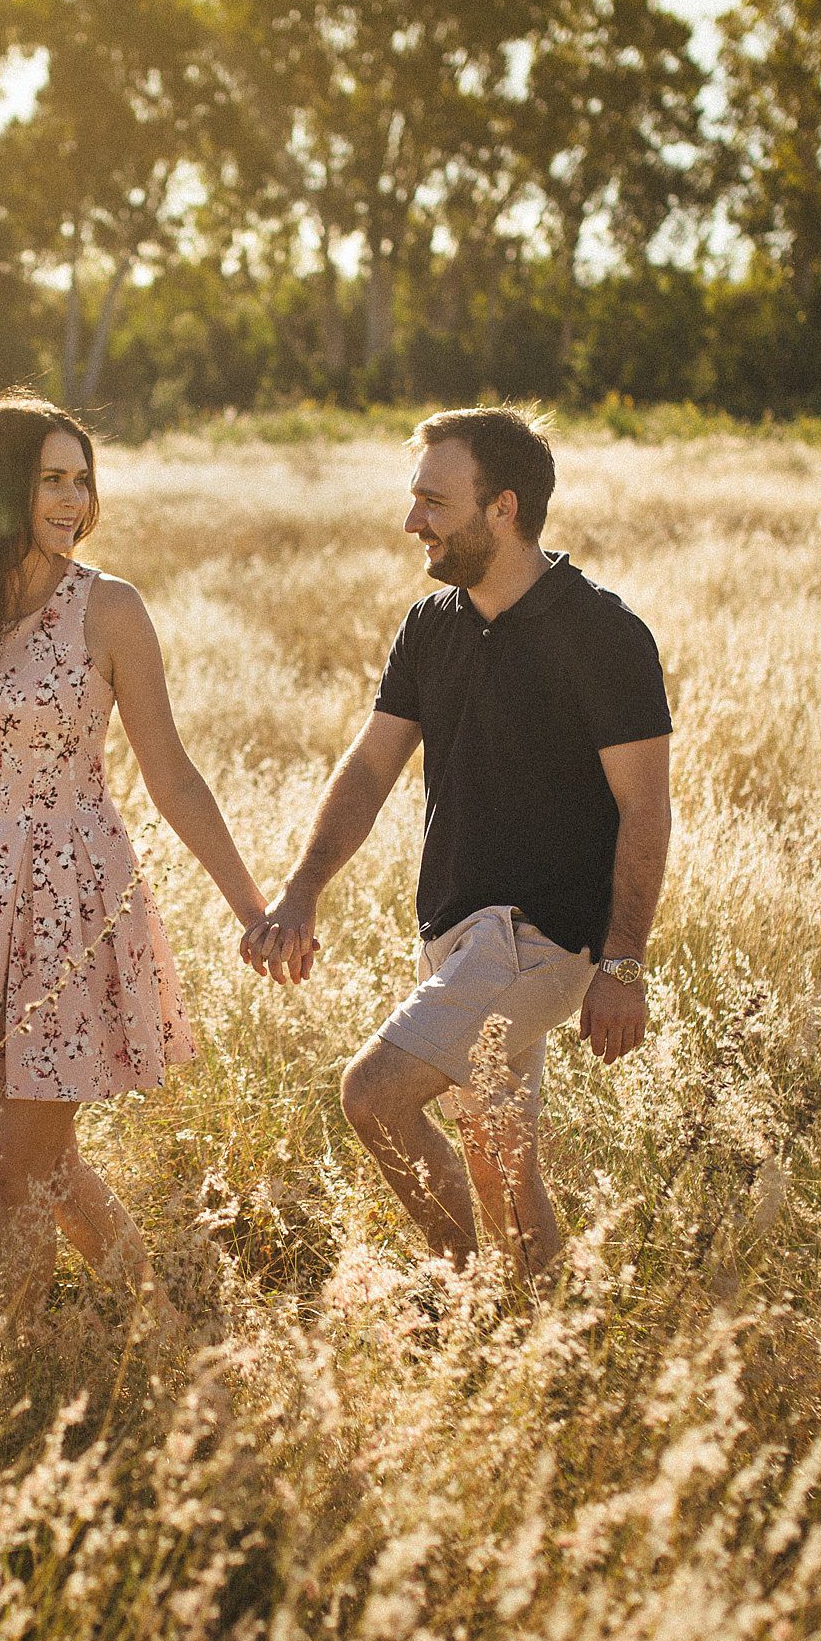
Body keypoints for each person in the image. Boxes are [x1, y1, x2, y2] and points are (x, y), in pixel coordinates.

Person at [0, 390, 271, 1328]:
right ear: (3, 490)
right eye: (52, 481)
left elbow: (171, 773)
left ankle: (18, 1349)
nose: (75, 501)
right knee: (42, 1155)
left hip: (71, 894)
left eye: (82, 480)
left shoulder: (108, 609)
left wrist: (252, 908)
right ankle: (161, 1329)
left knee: (20, 1163)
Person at [245, 407, 672, 1283]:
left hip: (540, 938)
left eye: (435, 502)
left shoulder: (604, 634)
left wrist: (623, 963)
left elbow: (646, 808)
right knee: (501, 1161)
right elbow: (371, 768)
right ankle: (540, 1335)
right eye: (416, 499)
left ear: (503, 508)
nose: (414, 522)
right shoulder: (430, 625)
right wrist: (302, 889)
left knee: (374, 1095)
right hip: (454, 932)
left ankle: (459, 1298)